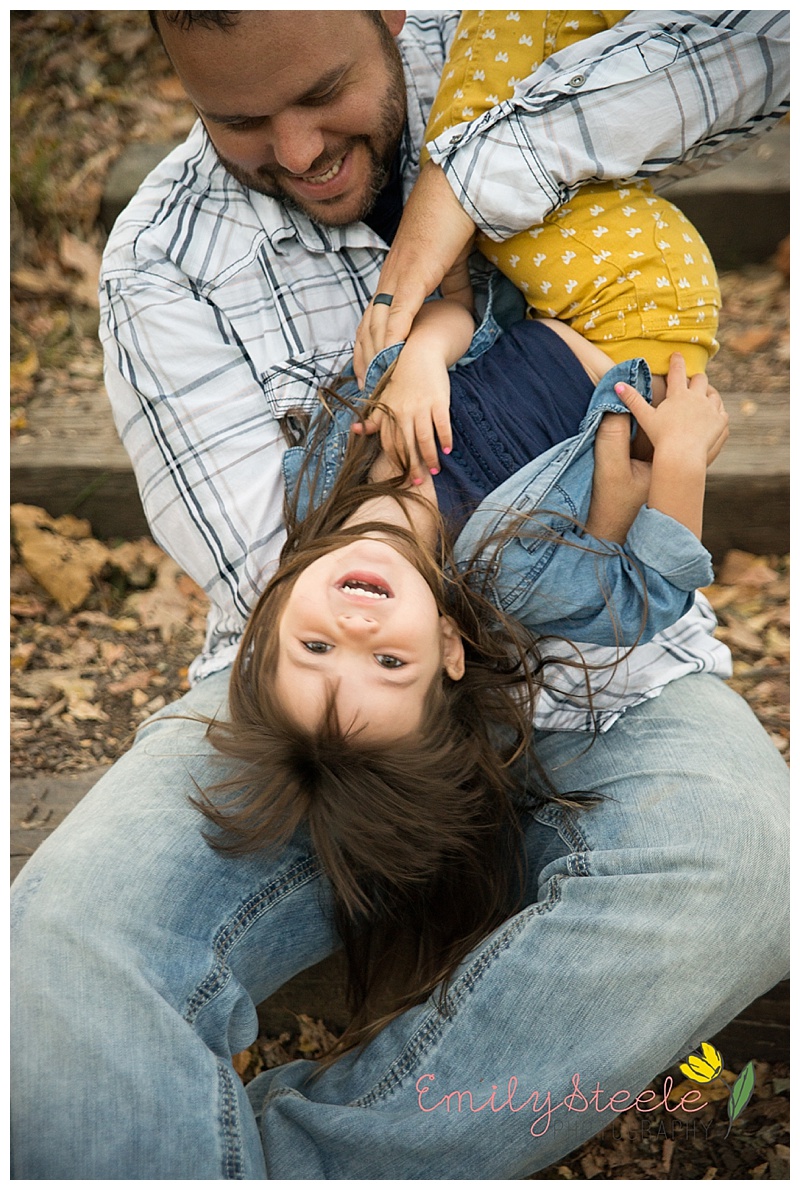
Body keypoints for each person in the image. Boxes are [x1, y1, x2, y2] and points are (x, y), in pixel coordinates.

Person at [11, 11, 789, 1179]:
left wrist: (461, 184)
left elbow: (760, 45)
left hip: (613, 683)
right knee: (66, 950)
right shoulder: (161, 261)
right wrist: (443, 594)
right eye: (237, 121)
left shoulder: (495, 54)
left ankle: (319, 1162)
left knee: (742, 863)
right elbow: (281, 586)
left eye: (323, 92)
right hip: (324, 717)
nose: (297, 148)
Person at [199, 296, 729, 1060]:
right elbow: (645, 596)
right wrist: (678, 459)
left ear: (277, 609)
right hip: (647, 336)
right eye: (390, 664)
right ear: (450, 646)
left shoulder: (322, 473)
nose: (355, 633)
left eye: (313, 648)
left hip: (554, 287)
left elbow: (472, 312)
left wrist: (420, 358)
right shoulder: (515, 580)